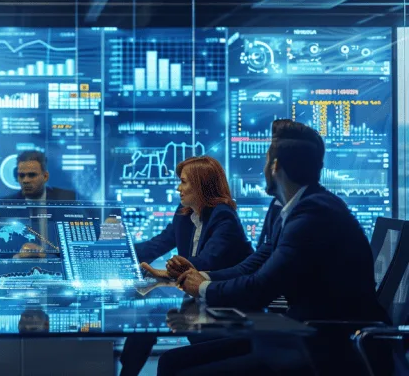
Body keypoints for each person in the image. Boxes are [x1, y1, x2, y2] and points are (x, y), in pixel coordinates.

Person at [162, 120, 388, 376]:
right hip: (301, 333)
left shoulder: (312, 214)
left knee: (178, 370)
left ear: (276, 166)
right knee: (170, 362)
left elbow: (261, 288)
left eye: (266, 160)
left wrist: (202, 288)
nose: (263, 168)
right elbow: (257, 262)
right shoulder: (287, 208)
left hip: (327, 348)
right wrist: (204, 277)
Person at [120, 156, 253, 376]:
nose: (178, 188)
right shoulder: (184, 214)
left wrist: (169, 271)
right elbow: (157, 244)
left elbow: (206, 261)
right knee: (144, 322)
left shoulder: (224, 216)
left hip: (226, 310)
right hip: (197, 303)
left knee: (166, 352)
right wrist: (116, 252)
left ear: (201, 185)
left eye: (184, 182)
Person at [4, 150, 76, 201]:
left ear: (45, 176)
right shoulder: (6, 204)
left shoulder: (67, 198)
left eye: (32, 175)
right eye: (21, 175)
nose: (25, 180)